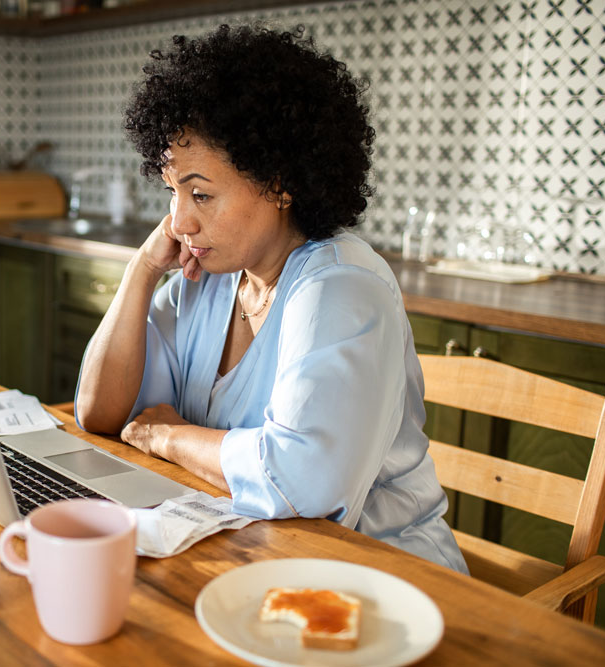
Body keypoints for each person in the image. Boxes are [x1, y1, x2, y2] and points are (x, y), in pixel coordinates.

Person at [74, 23, 467, 573]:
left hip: (385, 576)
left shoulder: (341, 286)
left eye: (201, 194)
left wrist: (168, 435)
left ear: (280, 183)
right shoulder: (209, 275)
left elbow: (300, 483)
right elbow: (100, 412)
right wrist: (141, 270)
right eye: (172, 192)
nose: (178, 220)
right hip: (249, 551)